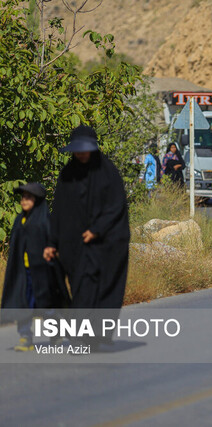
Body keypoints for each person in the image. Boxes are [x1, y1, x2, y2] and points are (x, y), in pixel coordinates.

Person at [44, 125, 130, 347]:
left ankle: (92, 336)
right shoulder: (67, 174)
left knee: (103, 289)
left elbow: (116, 206)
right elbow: (59, 211)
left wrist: (97, 229)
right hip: (75, 245)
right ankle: (84, 334)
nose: (81, 154)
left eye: (85, 149)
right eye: (77, 150)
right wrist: (52, 242)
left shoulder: (108, 173)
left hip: (107, 245)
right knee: (80, 287)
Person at [1, 183, 69, 352]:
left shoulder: (45, 220)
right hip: (22, 272)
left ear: (37, 201)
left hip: (42, 272)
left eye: (28, 197)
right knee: (22, 304)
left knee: (45, 306)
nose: (24, 200)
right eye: (23, 197)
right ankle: (25, 337)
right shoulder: (19, 220)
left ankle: (57, 332)